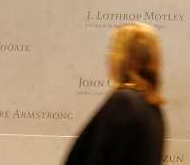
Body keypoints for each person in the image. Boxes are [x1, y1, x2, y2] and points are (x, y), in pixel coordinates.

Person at [64, 22, 167, 165]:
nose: (110, 55)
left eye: (113, 48)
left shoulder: (124, 102)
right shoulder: (154, 108)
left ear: (124, 58)